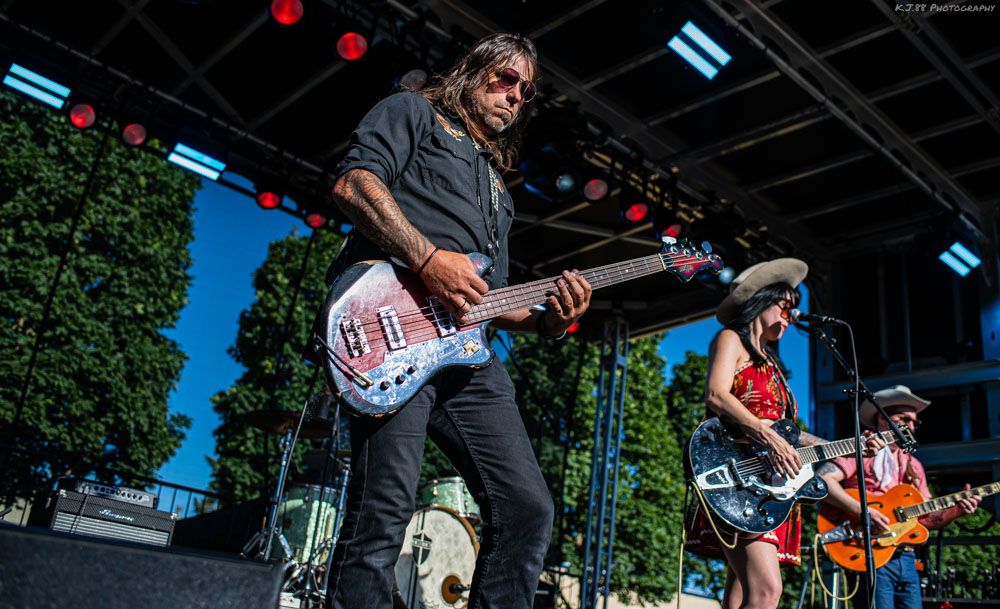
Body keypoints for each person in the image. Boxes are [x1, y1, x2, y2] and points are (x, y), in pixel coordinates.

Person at [320, 33, 593, 609]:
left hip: (465, 354)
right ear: (472, 71)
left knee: (527, 507)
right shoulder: (413, 110)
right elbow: (354, 184)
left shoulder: (500, 190)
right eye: (505, 78)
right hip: (388, 331)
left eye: (527, 90)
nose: (516, 95)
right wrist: (425, 257)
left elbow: (492, 298)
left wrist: (552, 320)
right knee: (384, 510)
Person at [685, 258, 874, 609]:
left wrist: (851, 448)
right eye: (786, 306)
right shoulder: (731, 339)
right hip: (738, 478)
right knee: (767, 592)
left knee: (741, 593)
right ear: (761, 300)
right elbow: (715, 394)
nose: (790, 316)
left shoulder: (773, 368)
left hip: (771, 487)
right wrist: (765, 434)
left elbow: (790, 435)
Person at [817, 385, 981, 609]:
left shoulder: (914, 466)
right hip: (867, 552)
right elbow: (822, 481)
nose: (911, 426)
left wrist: (957, 510)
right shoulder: (861, 450)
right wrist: (863, 512)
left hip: (906, 557)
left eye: (915, 421)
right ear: (881, 419)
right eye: (903, 418)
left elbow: (926, 519)